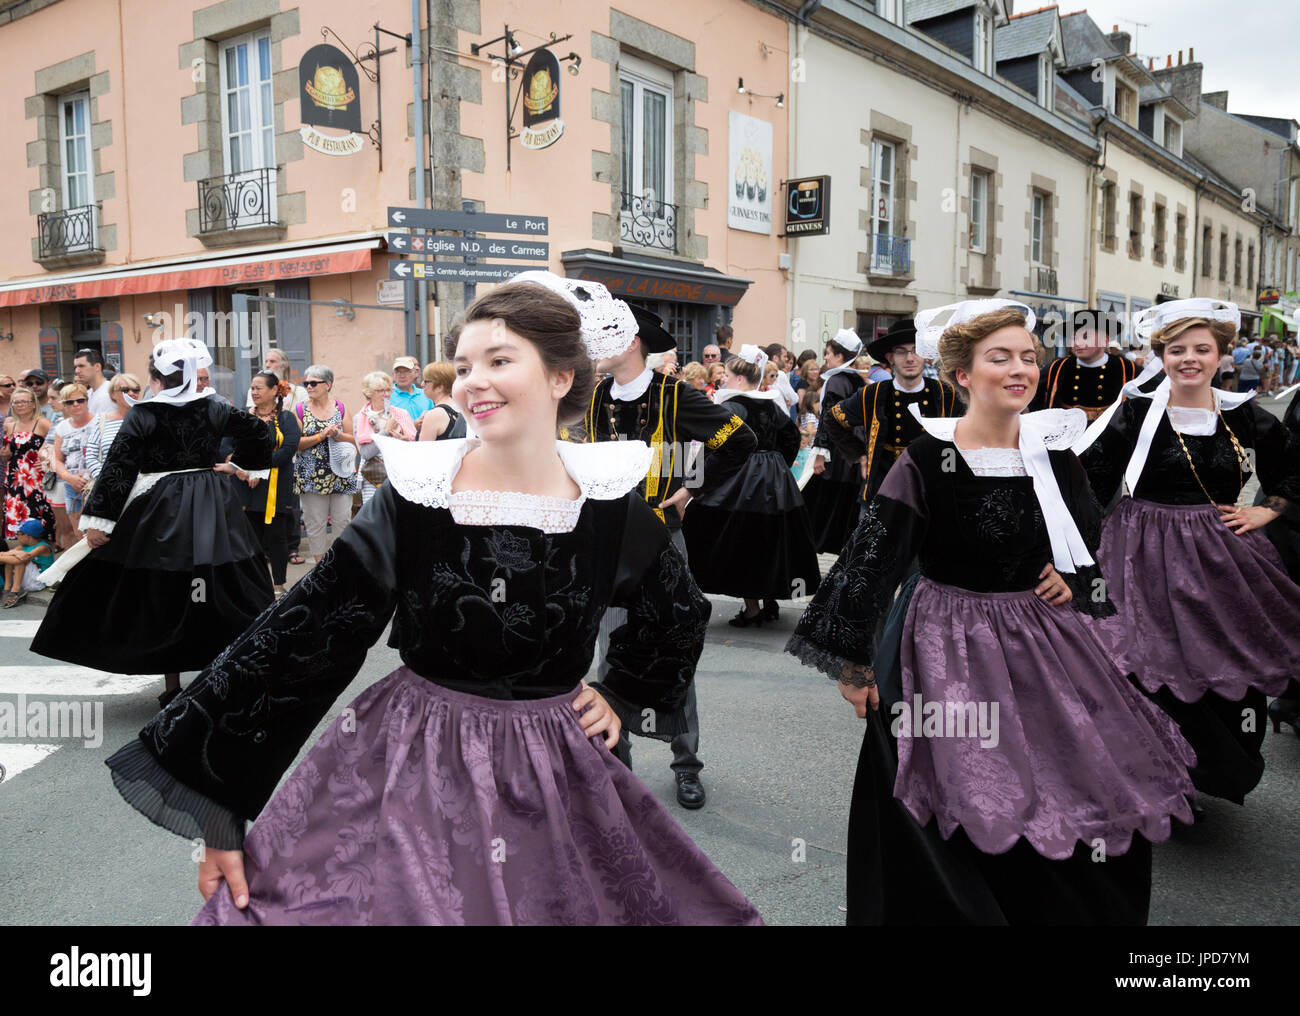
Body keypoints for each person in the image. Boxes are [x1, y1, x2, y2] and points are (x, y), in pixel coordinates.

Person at [101, 277, 763, 927]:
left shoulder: (607, 502)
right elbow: (311, 628)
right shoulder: (419, 495)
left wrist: (622, 693)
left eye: (500, 360)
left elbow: (677, 610)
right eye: (467, 362)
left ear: (562, 377)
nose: (474, 379)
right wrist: (220, 803)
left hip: (560, 768)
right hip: (415, 762)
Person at [787, 301, 1195, 925]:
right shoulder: (928, 459)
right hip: (946, 639)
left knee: (1073, 774)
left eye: (1028, 358)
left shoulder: (1053, 455)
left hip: (1042, 639)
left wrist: (1074, 577)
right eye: (999, 358)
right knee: (955, 781)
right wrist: (855, 662)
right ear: (963, 376)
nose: (1020, 369)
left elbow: (1091, 538)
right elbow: (876, 556)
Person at [1075, 298, 1300, 808]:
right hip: (1139, 551)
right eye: (1178, 350)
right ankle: (1157, 774)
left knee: (1224, 658)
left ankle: (1214, 768)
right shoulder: (1135, 412)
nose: (1190, 358)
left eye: (1203, 349)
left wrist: (1269, 509)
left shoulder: (1243, 415)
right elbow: (1088, 480)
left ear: (1223, 354)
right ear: (1162, 355)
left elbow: (1292, 464)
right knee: (1145, 662)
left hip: (1219, 553)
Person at [577, 282, 758, 812]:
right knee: (611, 654)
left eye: (602, 333)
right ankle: (618, 763)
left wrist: (687, 492)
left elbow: (738, 441)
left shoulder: (676, 395)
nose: (593, 344)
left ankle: (686, 765)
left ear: (631, 340)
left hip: (660, 541)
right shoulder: (590, 397)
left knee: (673, 653)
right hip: (605, 542)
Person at [30, 338, 274, 707]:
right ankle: (230, 668)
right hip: (211, 500)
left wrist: (100, 522)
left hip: (163, 506)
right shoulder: (213, 408)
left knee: (166, 586)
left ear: (156, 379)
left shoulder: (144, 413)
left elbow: (119, 469)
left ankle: (173, 685)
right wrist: (241, 464)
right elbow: (258, 431)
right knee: (222, 579)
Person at [683, 347, 820, 626]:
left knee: (740, 538)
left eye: (728, 375)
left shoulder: (731, 407)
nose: (723, 380)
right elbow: (791, 435)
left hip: (741, 478)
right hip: (774, 478)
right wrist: (779, 462)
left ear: (740, 379)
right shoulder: (769, 404)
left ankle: (753, 608)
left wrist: (695, 481)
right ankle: (769, 601)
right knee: (769, 538)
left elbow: (709, 444)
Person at [820, 319, 962, 509]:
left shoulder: (945, 394)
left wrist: (951, 474)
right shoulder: (873, 393)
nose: (910, 358)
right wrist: (860, 455)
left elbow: (964, 434)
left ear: (925, 356)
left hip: (930, 488)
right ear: (890, 357)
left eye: (916, 350)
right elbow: (833, 419)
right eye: (902, 351)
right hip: (883, 487)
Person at [230, 370, 301, 598]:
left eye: (259, 387)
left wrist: (256, 469)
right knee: (248, 538)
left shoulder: (287, 418)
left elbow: (287, 450)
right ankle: (254, 586)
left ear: (274, 391)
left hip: (274, 485)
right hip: (243, 485)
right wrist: (242, 469)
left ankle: (278, 585)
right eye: (252, 387)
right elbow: (225, 446)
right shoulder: (241, 416)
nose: (254, 391)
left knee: (276, 536)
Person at [806, 328, 869, 554]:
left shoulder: (837, 381)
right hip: (853, 454)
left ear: (841, 357)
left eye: (829, 353)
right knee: (844, 508)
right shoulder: (858, 381)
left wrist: (820, 453)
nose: (826, 358)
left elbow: (828, 419)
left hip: (837, 455)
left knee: (821, 507)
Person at [293, 364, 359, 562]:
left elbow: (353, 439)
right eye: (307, 383)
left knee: (343, 521)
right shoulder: (300, 409)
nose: (309, 387)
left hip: (341, 473)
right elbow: (296, 443)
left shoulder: (341, 407)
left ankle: (339, 566)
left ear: (328, 384)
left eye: (313, 383)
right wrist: (321, 436)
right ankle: (320, 569)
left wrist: (337, 434)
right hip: (311, 476)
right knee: (315, 524)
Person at [1030, 310, 1139, 420]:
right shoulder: (1057, 368)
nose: (1077, 343)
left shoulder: (1128, 369)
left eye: (1085, 337)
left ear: (1104, 340)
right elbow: (1033, 402)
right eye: (1074, 337)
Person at [355, 370, 416, 504]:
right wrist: (386, 431)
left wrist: (406, 442)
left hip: (399, 475)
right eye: (381, 391)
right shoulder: (361, 418)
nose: (386, 394)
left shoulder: (401, 414)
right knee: (375, 519)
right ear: (369, 393)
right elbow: (366, 453)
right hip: (373, 478)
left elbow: (413, 447)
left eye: (389, 390)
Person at [2, 387, 55, 541]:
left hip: (36, 478)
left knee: (39, 514)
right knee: (17, 515)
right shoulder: (10, 425)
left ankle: (45, 550)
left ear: (33, 404)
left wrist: (49, 461)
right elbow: (9, 454)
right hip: (14, 477)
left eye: (24, 401)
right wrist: (4, 454)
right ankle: (22, 552)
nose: (20, 405)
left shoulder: (43, 423)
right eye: (16, 402)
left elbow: (59, 443)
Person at [51, 383, 97, 535]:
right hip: (72, 487)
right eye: (70, 402)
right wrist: (68, 477)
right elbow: (57, 460)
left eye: (80, 400)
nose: (76, 404)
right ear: (64, 405)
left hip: (96, 485)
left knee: (97, 534)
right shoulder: (62, 427)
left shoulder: (100, 422)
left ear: (87, 400)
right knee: (79, 535)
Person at [84, 373, 141, 482]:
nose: (132, 393)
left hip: (140, 487)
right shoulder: (102, 420)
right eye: (125, 390)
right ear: (113, 394)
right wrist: (104, 479)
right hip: (107, 485)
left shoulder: (146, 419)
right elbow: (91, 454)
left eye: (136, 390)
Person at [0, 518, 55, 608]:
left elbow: (22, 559)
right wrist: (12, 553)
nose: (17, 537)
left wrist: (11, 554)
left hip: (39, 581)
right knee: (11, 559)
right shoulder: (22, 547)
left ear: (28, 536)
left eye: (18, 534)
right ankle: (7, 589)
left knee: (20, 560)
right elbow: (3, 554)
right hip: (28, 580)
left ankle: (16, 591)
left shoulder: (43, 547)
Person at [417, 361, 467, 441]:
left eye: (426, 381)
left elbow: (422, 451)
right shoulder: (460, 408)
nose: (422, 384)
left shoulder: (434, 415)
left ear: (439, 387)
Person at [390, 355, 434, 422]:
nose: (402, 376)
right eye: (398, 372)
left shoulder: (426, 394)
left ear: (415, 373)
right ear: (393, 374)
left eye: (407, 371)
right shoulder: (387, 396)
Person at [73, 348, 114, 414]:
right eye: (75, 367)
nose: (77, 371)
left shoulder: (108, 394)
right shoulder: (89, 393)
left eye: (81, 366)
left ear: (97, 367)